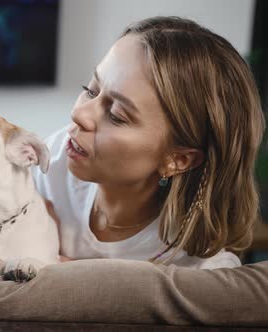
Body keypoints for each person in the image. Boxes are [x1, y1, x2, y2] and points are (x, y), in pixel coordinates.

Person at [27, 16, 265, 269]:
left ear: (178, 159)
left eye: (117, 115)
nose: (79, 114)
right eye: (91, 90)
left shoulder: (197, 270)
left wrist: (67, 276)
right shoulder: (55, 157)